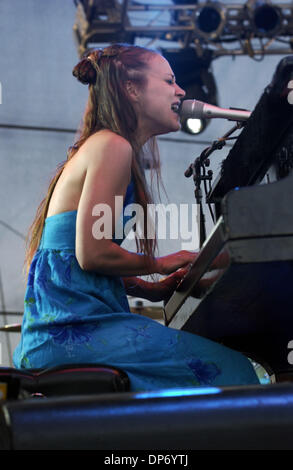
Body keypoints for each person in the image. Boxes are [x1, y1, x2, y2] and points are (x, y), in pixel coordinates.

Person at [13, 44, 259, 391]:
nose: (181, 90)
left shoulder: (106, 146)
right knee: (231, 370)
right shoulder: (113, 146)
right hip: (71, 331)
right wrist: (160, 263)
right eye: (169, 80)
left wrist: (147, 288)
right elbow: (92, 253)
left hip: (63, 328)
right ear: (132, 89)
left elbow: (72, 260)